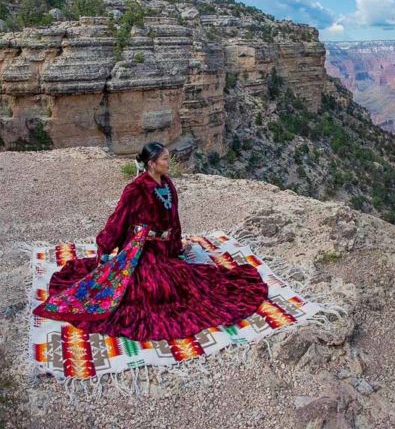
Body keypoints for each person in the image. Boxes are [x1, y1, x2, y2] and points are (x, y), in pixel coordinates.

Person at [32, 142, 270, 342]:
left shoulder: (167, 184)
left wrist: (175, 246)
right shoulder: (135, 189)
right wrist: (105, 248)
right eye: (165, 159)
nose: (169, 162)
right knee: (157, 287)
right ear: (151, 164)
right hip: (142, 249)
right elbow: (118, 219)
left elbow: (173, 219)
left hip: (164, 248)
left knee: (190, 279)